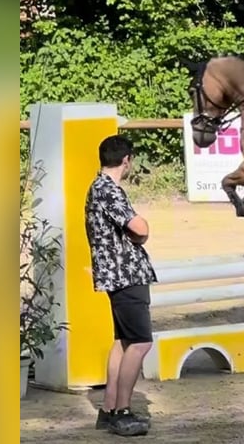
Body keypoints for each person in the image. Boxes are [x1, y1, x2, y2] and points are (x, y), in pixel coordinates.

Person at [84, 134, 157, 437]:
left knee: (123, 342)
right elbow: (139, 227)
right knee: (140, 342)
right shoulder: (109, 190)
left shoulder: (97, 188)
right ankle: (122, 412)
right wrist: (141, 233)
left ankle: (110, 408)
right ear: (127, 160)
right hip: (126, 274)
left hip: (116, 274)